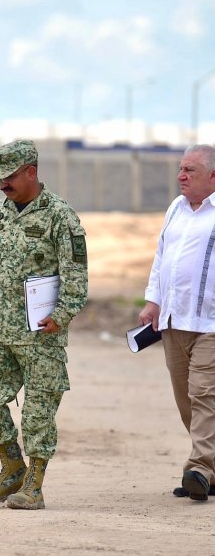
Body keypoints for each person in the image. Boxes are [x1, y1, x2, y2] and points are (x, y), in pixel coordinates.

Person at [0, 139, 88, 510]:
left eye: (9, 176)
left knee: (37, 413)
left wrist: (62, 314)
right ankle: (12, 468)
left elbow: (76, 275)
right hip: (0, 329)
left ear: (31, 172)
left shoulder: (60, 215)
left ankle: (33, 484)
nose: (2, 184)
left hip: (41, 332)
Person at [139, 144, 215, 502]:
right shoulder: (176, 208)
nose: (181, 176)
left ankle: (199, 467)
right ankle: (211, 470)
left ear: (213, 176)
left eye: (190, 170)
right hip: (173, 319)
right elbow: (162, 256)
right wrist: (153, 301)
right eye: (181, 169)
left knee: (204, 394)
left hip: (210, 323)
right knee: (186, 398)